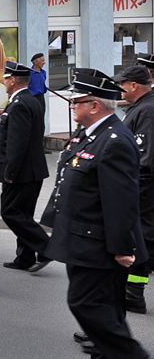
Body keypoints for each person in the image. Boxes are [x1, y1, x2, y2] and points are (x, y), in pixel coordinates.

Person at [42, 69, 150, 359]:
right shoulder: (91, 134)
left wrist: (122, 247)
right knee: (106, 309)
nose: (72, 105)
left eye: (77, 101)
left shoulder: (114, 140)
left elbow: (121, 200)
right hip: (81, 237)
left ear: (95, 105)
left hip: (97, 242)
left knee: (85, 303)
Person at [0, 61, 51, 273]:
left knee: (10, 212)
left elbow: (17, 143)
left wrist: (10, 172)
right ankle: (25, 257)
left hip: (20, 172)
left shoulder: (18, 104)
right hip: (33, 170)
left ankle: (46, 248)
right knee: (23, 214)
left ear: (12, 80)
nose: (3, 81)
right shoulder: (31, 100)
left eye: (5, 78)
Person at [114, 65, 154, 313]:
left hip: (145, 190)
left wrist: (131, 193)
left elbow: (145, 159)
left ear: (133, 86)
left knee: (143, 240)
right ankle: (133, 294)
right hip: (141, 188)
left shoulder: (148, 111)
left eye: (122, 84)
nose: (119, 89)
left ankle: (133, 294)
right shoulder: (141, 107)